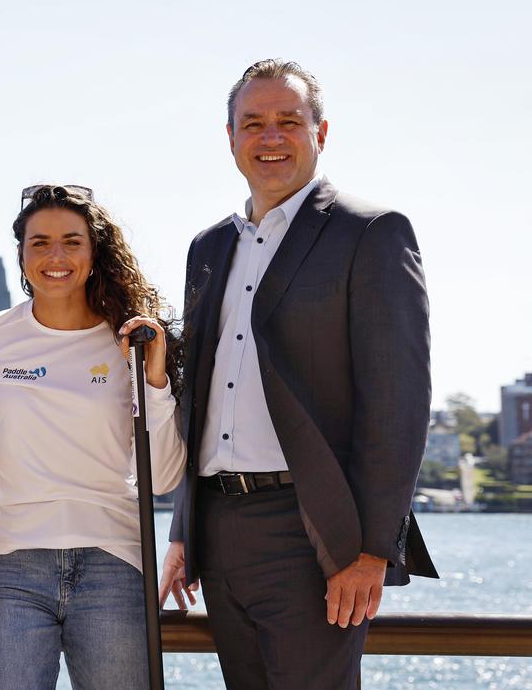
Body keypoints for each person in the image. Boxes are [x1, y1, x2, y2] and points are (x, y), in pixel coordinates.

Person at [159, 59, 439, 689]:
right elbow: (197, 400)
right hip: (219, 530)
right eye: (253, 123)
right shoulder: (208, 248)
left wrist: (370, 551)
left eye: (289, 120)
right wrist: (184, 532)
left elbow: (397, 404)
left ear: (322, 132)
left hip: (312, 533)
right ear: (230, 137)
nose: (271, 137)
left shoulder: (370, 234)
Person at [0, 184, 185, 690]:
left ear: (94, 251)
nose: (55, 256)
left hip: (113, 563)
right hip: (11, 566)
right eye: (39, 243)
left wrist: (153, 382)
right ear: (20, 254)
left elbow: (166, 474)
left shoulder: (129, 340)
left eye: (72, 241)